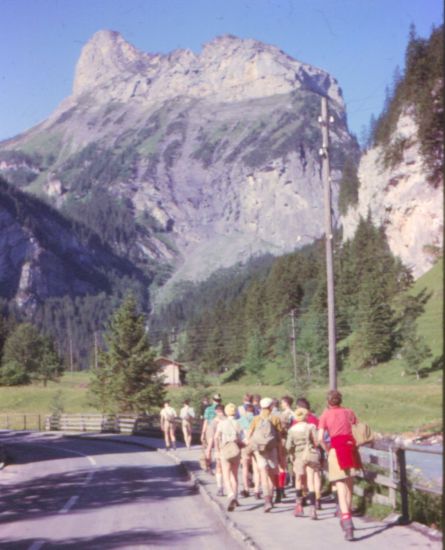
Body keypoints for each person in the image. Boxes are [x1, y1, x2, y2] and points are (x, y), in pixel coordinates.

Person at [318, 390, 362, 542]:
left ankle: (346, 519)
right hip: (350, 448)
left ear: (328, 402)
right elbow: (358, 429)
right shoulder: (349, 412)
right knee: (349, 483)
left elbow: (320, 438)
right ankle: (348, 516)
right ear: (340, 400)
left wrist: (327, 449)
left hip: (336, 450)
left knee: (340, 485)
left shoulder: (325, 415)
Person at [246, 397, 283, 512]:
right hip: (272, 448)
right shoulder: (275, 419)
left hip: (259, 450)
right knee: (272, 474)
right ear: (271, 406)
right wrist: (280, 453)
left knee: (263, 473)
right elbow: (280, 436)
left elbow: (249, 435)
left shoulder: (256, 419)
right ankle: (271, 498)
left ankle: (266, 500)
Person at [286, 407, 321, 519]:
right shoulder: (311, 427)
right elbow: (316, 442)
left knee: (299, 479)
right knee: (310, 480)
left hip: (299, 456)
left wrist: (292, 453)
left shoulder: (292, 430)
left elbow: (288, 446)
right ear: (306, 416)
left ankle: (299, 506)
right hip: (310, 454)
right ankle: (313, 508)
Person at [296, 397, 322, 510]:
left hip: (301, 452)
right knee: (316, 475)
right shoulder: (315, 420)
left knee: (302, 475)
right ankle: (317, 498)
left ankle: (304, 496)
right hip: (315, 451)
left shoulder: (297, 421)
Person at [216, 403, 242, 511]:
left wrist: (217, 450)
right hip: (235, 450)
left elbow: (216, 437)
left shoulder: (222, 423)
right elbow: (241, 438)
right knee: (234, 476)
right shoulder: (238, 423)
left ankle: (230, 495)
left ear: (226, 412)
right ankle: (235, 497)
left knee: (226, 475)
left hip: (225, 450)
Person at [237, 403, 260, 498]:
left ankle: (246, 489)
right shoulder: (257, 419)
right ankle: (257, 490)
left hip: (245, 444)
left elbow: (238, 434)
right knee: (256, 468)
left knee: (245, 468)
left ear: (245, 410)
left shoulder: (240, 420)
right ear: (253, 410)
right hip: (255, 444)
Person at [207, 403, 226, 496]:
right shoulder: (228, 420)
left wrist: (209, 450)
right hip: (230, 447)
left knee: (219, 468)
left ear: (216, 411)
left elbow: (211, 438)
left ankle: (220, 488)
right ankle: (231, 490)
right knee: (229, 469)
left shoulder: (213, 422)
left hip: (219, 448)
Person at [200, 393, 222, 471]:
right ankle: (218, 466)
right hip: (220, 428)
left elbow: (205, 422)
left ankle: (208, 465)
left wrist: (202, 433)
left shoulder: (208, 409)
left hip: (210, 428)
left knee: (209, 447)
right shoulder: (221, 408)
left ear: (213, 400)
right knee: (218, 447)